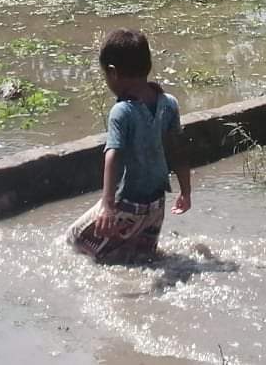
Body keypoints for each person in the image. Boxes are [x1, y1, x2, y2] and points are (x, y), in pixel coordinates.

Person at [68, 29, 191, 262]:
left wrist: (107, 205)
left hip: (127, 205)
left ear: (112, 72)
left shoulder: (122, 111)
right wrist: (186, 191)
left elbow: (113, 155)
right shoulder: (169, 103)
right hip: (156, 205)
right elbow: (178, 150)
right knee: (143, 258)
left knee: (74, 240)